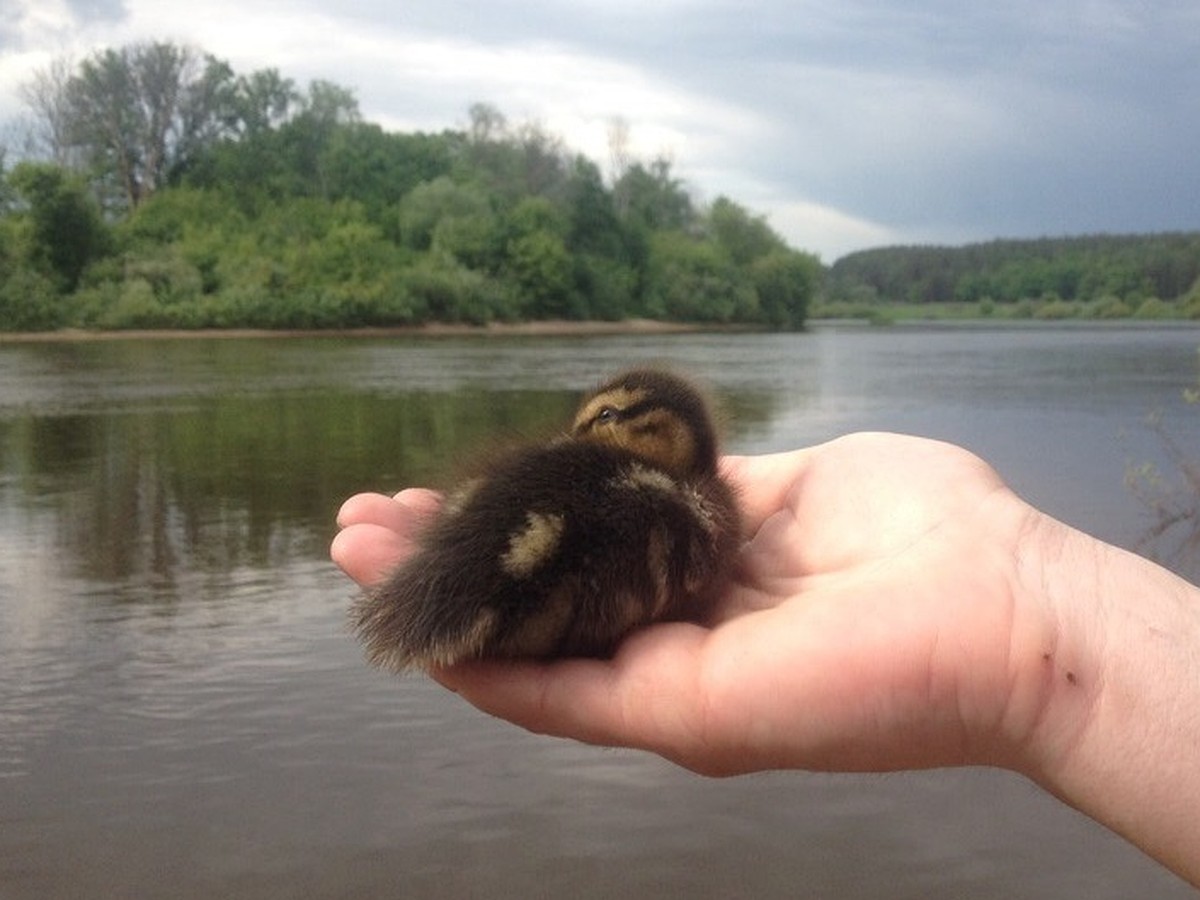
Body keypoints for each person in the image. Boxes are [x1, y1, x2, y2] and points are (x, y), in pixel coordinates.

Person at [331, 431, 1200, 886]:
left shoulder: (663, 513)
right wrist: (1053, 621)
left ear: (667, 437)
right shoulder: (685, 517)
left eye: (608, 431)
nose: (589, 445)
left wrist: (1043, 626)